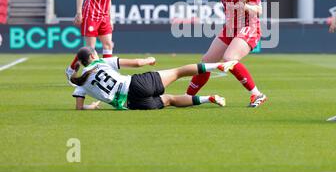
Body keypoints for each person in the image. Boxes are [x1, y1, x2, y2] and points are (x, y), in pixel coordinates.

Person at [185, 0, 267, 107]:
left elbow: (259, 9)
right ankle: (186, 97)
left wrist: (245, 6)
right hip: (230, 27)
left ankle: (257, 94)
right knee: (206, 62)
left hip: (249, 27)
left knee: (229, 59)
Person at [65, 46, 237, 110]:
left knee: (170, 100)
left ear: (81, 62)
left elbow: (79, 107)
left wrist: (92, 106)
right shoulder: (101, 61)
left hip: (130, 104)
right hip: (136, 84)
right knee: (178, 72)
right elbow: (136, 63)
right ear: (93, 55)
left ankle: (209, 99)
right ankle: (216, 65)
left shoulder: (79, 83)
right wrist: (148, 60)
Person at [69, 0, 117, 70]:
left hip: (104, 17)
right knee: (90, 49)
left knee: (108, 44)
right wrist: (79, 13)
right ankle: (71, 69)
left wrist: (110, 18)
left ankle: (107, 72)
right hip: (91, 16)